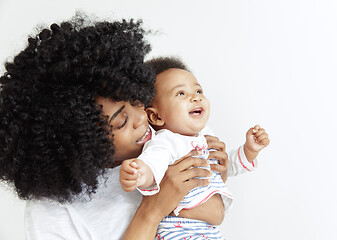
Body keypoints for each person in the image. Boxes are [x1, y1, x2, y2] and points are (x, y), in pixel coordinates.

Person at [0, 15, 231, 240]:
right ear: (82, 142)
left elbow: (216, 213)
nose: (142, 118)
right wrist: (151, 211)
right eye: (121, 122)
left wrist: (213, 172)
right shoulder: (53, 211)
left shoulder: (163, 138)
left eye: (138, 100)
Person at [119, 57, 270, 239]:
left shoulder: (207, 137)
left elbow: (227, 166)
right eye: (181, 93)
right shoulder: (166, 141)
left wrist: (249, 151)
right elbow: (154, 162)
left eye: (198, 90)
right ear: (156, 117)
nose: (195, 97)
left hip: (208, 231)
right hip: (178, 229)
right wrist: (139, 172)